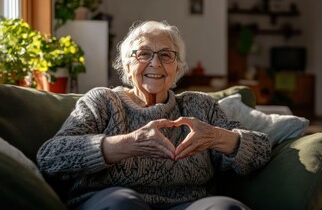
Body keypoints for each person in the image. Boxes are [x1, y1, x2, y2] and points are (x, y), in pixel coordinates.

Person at [37, 20, 272, 210]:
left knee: (226, 207)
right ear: (126, 66)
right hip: (111, 201)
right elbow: (50, 157)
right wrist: (128, 144)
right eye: (144, 54)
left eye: (166, 55)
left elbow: (261, 152)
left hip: (187, 204)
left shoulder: (200, 106)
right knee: (123, 203)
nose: (155, 63)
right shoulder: (103, 102)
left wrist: (217, 137)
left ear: (177, 68)